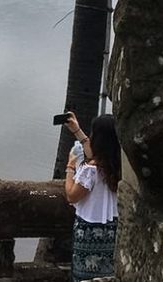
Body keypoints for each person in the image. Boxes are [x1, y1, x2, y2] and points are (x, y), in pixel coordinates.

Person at [64, 113, 120, 282]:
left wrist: (70, 169)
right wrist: (77, 131)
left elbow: (71, 196)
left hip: (88, 230)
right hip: (112, 229)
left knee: (84, 275)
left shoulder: (91, 169)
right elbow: (92, 151)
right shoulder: (117, 164)